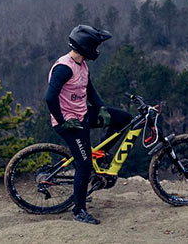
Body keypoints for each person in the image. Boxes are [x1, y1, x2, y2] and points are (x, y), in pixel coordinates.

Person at [43, 25, 130, 225]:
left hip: (83, 114)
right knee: (84, 166)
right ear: (86, 46)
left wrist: (101, 109)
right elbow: (50, 98)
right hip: (71, 123)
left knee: (123, 118)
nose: (97, 51)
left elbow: (90, 90)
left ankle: (102, 154)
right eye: (95, 46)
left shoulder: (81, 64)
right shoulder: (64, 68)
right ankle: (79, 211)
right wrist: (64, 122)